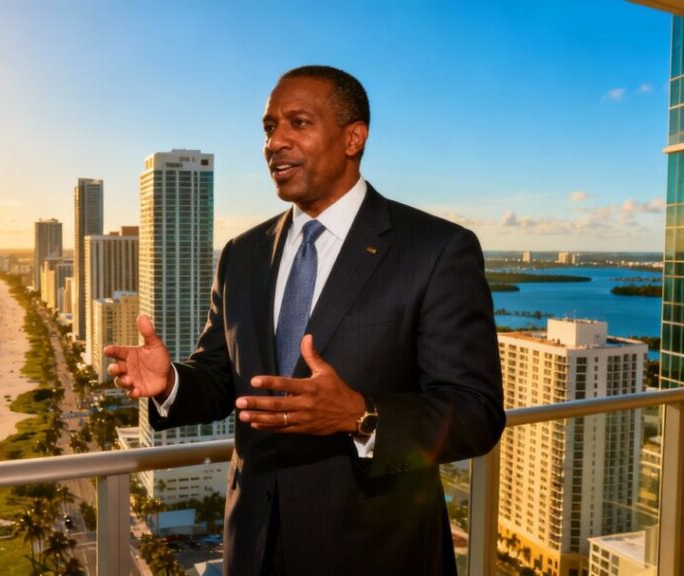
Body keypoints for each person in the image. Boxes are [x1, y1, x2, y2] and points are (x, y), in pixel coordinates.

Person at [104, 65, 505, 575]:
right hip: (254, 548)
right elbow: (224, 378)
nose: (276, 142)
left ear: (353, 138)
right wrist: (171, 382)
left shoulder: (435, 249)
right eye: (270, 128)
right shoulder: (241, 255)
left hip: (378, 555)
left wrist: (361, 415)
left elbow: (475, 413)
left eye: (298, 123)